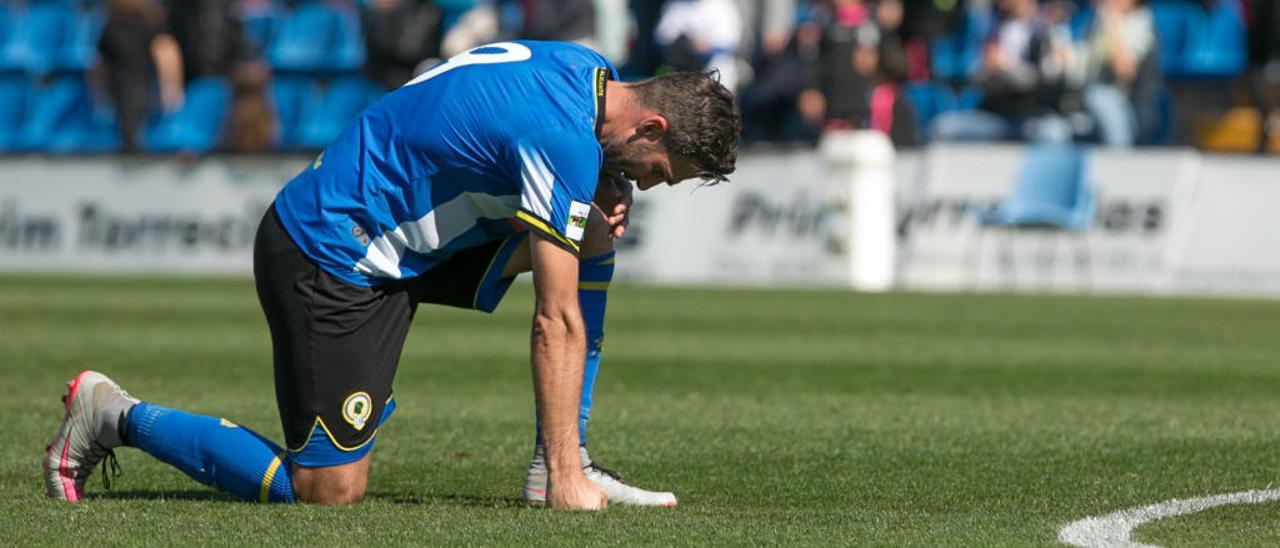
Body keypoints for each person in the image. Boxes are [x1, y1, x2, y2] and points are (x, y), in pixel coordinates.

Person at [42, 40, 740, 509]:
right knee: (327, 486)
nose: (647, 186)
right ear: (650, 127)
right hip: (328, 252)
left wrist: (594, 202)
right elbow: (555, 319)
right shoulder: (561, 139)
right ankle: (111, 414)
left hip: (406, 239)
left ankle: (561, 457)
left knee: (594, 234)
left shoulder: (583, 72)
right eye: (658, 172)